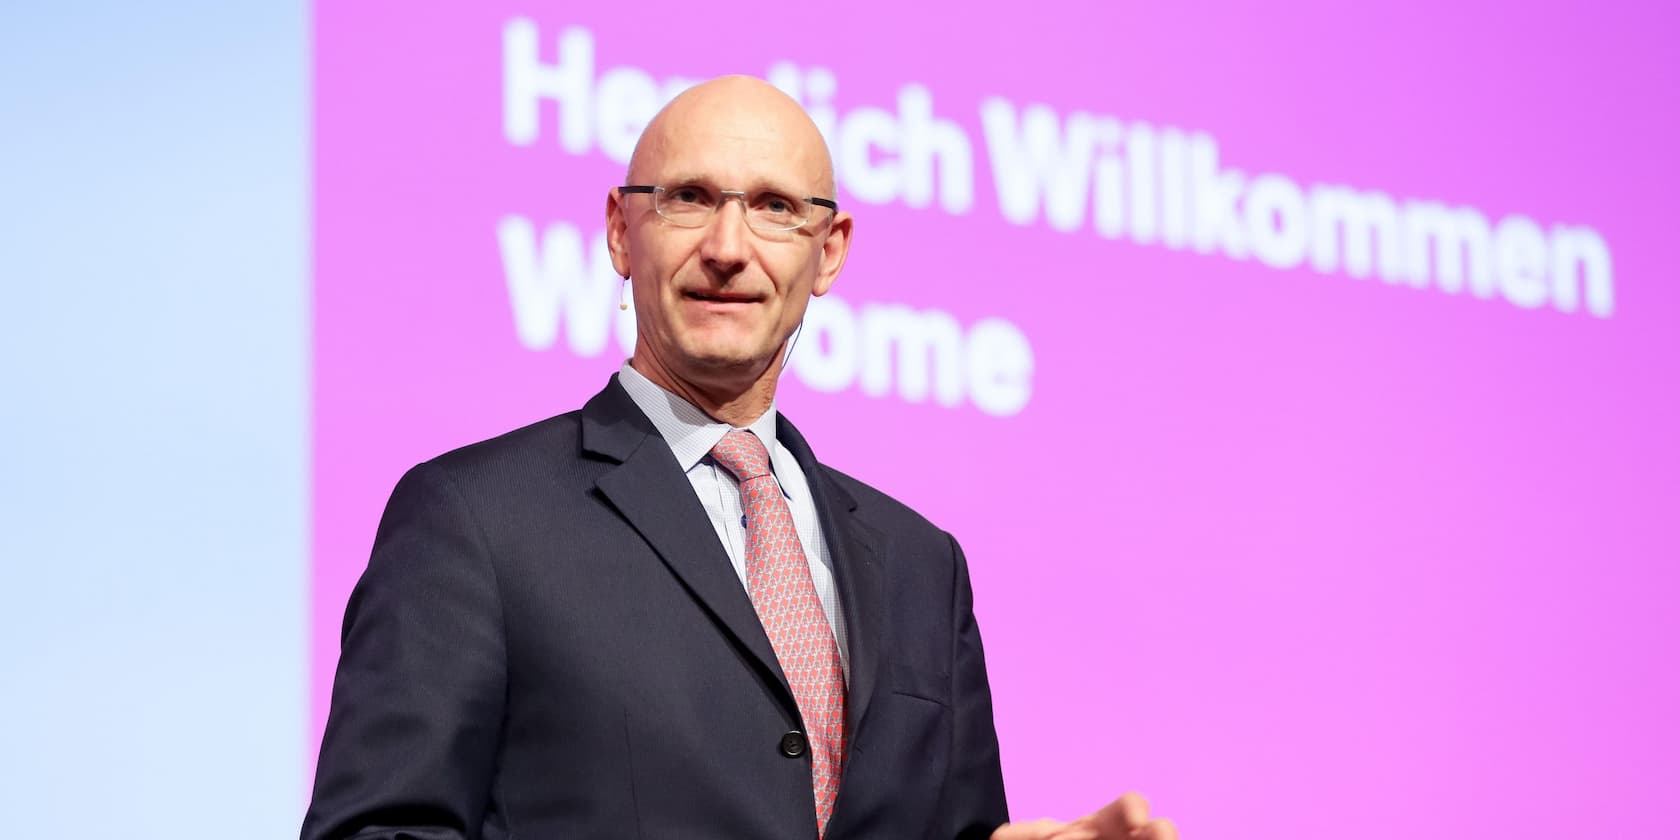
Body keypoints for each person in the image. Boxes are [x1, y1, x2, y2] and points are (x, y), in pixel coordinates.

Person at [302, 75, 1177, 840]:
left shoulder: (923, 565)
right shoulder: (475, 519)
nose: (728, 248)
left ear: (828, 252)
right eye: (688, 197)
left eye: (775, 208)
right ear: (620, 229)